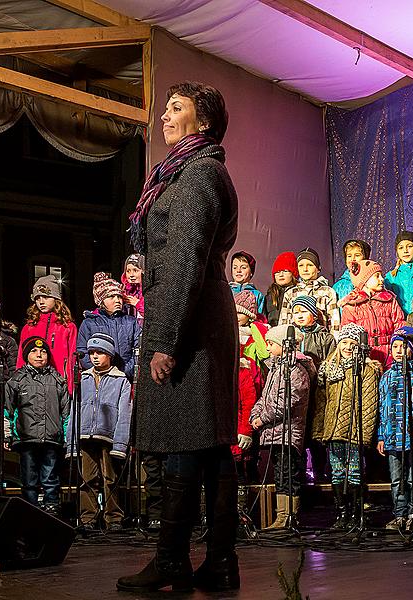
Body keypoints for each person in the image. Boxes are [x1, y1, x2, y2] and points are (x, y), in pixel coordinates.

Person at [119, 82, 240, 594]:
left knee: (186, 444)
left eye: (176, 108)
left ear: (204, 121)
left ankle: (172, 559)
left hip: (189, 325)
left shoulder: (196, 177)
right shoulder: (189, 172)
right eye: (164, 107)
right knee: (208, 446)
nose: (163, 115)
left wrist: (165, 339)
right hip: (200, 320)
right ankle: (219, 562)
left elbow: (185, 263)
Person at [312, 323, 380, 530]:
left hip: (354, 430)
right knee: (337, 473)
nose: (348, 347)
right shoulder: (327, 369)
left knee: (354, 472)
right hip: (333, 430)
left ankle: (356, 513)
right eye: (345, 342)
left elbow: (370, 403)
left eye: (353, 343)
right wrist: (319, 429)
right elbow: (321, 402)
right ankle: (342, 514)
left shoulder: (366, 370)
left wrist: (365, 433)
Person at [250, 325, 315, 529]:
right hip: (275, 432)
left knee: (289, 474)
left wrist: (263, 418)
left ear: (284, 345)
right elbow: (265, 397)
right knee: (280, 474)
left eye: (271, 344)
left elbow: (286, 401)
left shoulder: (296, 370)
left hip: (288, 431)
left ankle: (289, 517)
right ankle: (281, 516)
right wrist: (255, 414)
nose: (268, 348)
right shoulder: (276, 369)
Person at [67, 332, 131, 532]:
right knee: (87, 479)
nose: (94, 356)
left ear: (110, 355)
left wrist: (121, 444)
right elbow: (74, 410)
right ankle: (88, 518)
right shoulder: (83, 379)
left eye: (100, 352)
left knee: (110, 479)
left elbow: (125, 414)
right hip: (86, 436)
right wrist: (71, 442)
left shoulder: (121, 380)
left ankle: (113, 518)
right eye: (91, 352)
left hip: (108, 436)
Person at [4, 336, 70, 514]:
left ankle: (52, 507)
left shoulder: (58, 380)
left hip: (52, 438)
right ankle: (30, 508)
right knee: (29, 478)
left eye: (43, 352)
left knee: (50, 477)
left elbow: (66, 412)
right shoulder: (16, 380)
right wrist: (7, 434)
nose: (39, 355)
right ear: (26, 356)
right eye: (34, 351)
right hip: (26, 439)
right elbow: (7, 410)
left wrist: (66, 437)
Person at [378, 326, 413, 531]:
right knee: (397, 479)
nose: (399, 350)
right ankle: (400, 514)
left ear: (412, 348)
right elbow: (382, 407)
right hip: (392, 436)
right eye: (395, 346)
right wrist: (381, 435)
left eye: (403, 346)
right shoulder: (386, 376)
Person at [290, 294, 335, 483]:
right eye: (296, 312)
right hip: (299, 394)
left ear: (314, 314)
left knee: (317, 438)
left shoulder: (325, 337)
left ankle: (321, 476)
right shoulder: (291, 336)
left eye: (304, 311)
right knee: (301, 437)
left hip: (318, 392)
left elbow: (332, 361)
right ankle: (300, 479)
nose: (299, 315)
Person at [17, 275, 78, 395]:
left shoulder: (68, 327)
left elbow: (72, 357)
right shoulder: (28, 328)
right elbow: (21, 357)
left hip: (59, 383)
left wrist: (70, 387)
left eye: (45, 297)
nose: (41, 302)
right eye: (37, 298)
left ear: (56, 298)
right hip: (32, 385)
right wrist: (19, 383)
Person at [339, 259, 406, 368]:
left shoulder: (389, 300)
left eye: (381, 275)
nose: (382, 279)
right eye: (377, 276)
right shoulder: (352, 305)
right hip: (365, 356)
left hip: (389, 353)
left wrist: (397, 348)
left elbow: (399, 324)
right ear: (364, 280)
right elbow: (348, 334)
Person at [233, 290, 269, 487]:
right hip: (237, 382)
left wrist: (256, 330)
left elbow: (264, 354)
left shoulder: (256, 334)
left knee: (251, 434)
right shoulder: (228, 330)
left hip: (254, 383)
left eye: (240, 312)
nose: (236, 316)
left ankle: (253, 474)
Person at [77, 272, 141, 380]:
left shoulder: (131, 322)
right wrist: (99, 372)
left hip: (126, 378)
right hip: (98, 379)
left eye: (119, 296)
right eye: (111, 296)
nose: (117, 300)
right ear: (101, 301)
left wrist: (125, 371)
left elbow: (138, 349)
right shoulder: (89, 323)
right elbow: (83, 351)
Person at [280, 247, 340, 331]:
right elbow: (284, 323)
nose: (305, 269)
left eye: (310, 265)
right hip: (298, 341)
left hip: (321, 341)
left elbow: (335, 323)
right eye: (301, 265)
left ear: (318, 268)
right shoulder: (290, 293)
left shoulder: (328, 292)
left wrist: (333, 342)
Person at [384, 231, 413, 316]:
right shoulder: (391, 277)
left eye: (409, 246)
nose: (405, 251)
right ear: (397, 252)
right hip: (400, 322)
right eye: (401, 248)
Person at [229, 250, 267, 319]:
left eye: (243, 267)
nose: (238, 270)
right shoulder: (226, 291)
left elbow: (260, 319)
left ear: (251, 272)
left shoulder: (257, 295)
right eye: (235, 267)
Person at [265, 251, 298, 325]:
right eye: (277, 272)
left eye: (285, 271)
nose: (281, 275)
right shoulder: (271, 294)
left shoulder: (299, 292)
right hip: (273, 332)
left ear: (293, 273)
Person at [121, 253, 146, 325]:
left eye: (135, 270)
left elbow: (154, 315)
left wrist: (138, 304)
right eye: (128, 271)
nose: (131, 275)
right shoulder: (124, 290)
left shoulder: (150, 291)